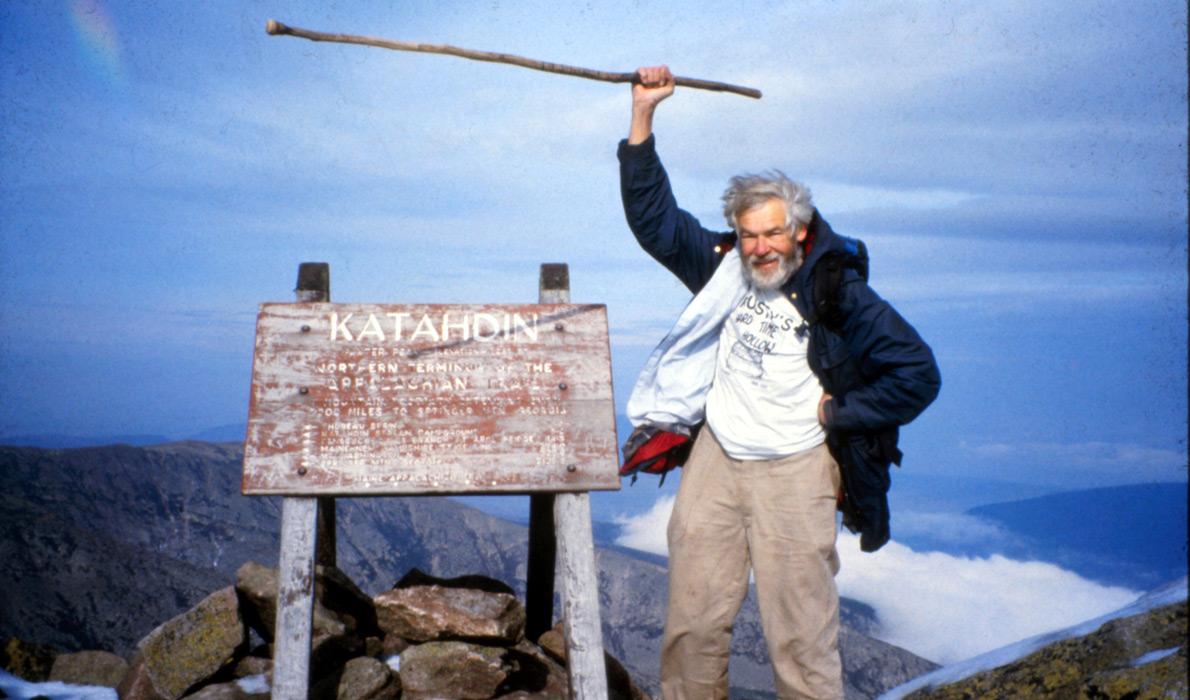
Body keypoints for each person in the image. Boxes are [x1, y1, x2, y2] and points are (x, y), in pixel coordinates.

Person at [618, 65, 941, 699]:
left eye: (772, 232)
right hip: (717, 459)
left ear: (799, 230)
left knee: (798, 638)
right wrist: (642, 117)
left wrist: (838, 415)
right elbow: (654, 222)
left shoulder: (839, 291)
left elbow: (917, 373)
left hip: (797, 468)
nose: (760, 247)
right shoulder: (722, 269)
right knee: (691, 627)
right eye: (748, 234)